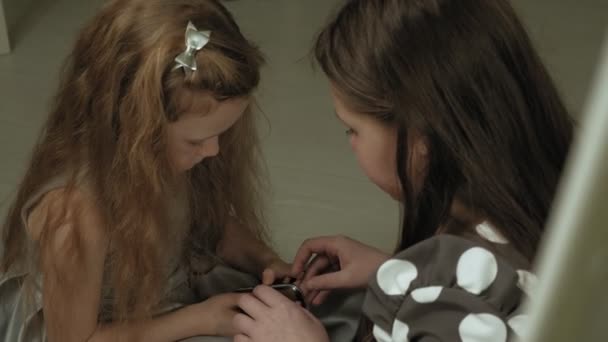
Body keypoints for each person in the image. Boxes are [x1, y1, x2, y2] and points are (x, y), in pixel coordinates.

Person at [235, 0, 574, 341]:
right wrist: (398, 273)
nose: (350, 143)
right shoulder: (554, 202)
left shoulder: (461, 303)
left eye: (352, 129)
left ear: (421, 138)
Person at [0, 0, 292, 340]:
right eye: (196, 141)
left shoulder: (166, 154)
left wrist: (267, 260)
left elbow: (209, 224)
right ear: (136, 132)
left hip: (167, 296)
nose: (214, 151)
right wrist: (202, 320)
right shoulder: (76, 215)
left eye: (221, 134)